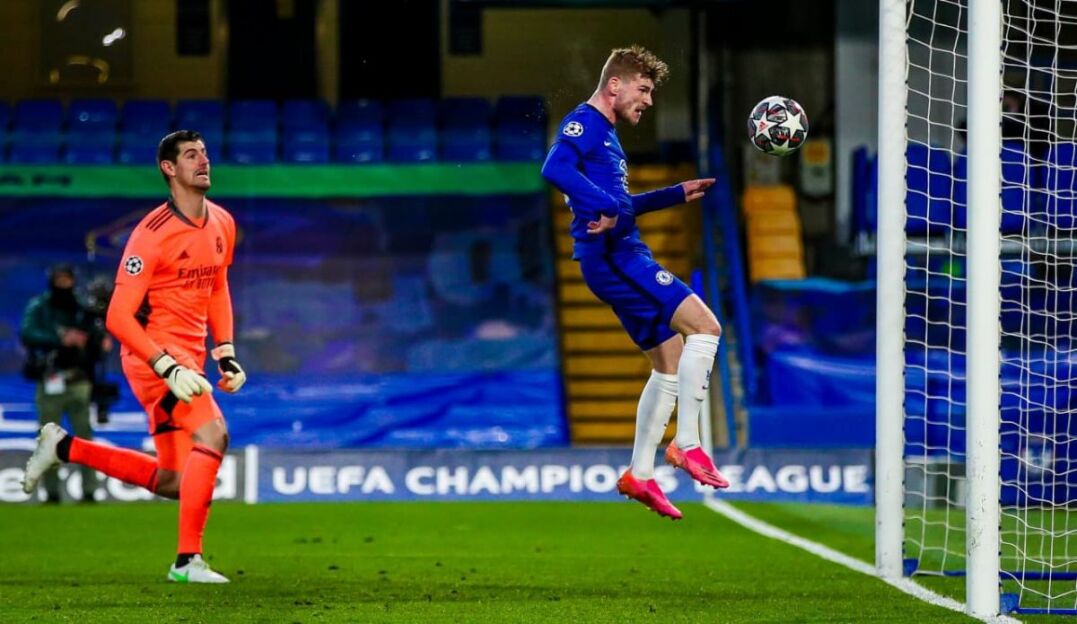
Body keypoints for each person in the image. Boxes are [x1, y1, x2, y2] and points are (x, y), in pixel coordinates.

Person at [21, 130, 246, 583]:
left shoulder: (222, 222)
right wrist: (167, 366)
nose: (203, 161)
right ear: (169, 168)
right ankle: (187, 562)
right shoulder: (150, 236)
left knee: (173, 481)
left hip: (189, 359)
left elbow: (217, 285)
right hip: (153, 357)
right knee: (214, 434)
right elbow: (118, 317)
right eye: (191, 155)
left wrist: (224, 350)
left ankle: (63, 447)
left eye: (204, 153)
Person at [541, 45, 728, 520]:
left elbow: (619, 206)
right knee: (705, 328)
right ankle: (688, 443)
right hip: (616, 258)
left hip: (616, 255)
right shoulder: (585, 123)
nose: (648, 100)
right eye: (643, 90)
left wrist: (672, 194)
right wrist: (604, 205)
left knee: (669, 362)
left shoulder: (607, 135)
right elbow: (554, 168)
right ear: (615, 85)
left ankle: (640, 475)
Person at [19, 263, 111, 503]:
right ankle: (51, 493)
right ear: (52, 281)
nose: (63, 284)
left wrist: (98, 340)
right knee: (48, 440)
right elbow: (27, 333)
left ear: (73, 280)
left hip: (79, 379)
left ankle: (90, 491)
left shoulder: (82, 307)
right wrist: (60, 338)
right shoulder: (39, 306)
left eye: (67, 279)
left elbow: (98, 333)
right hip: (51, 378)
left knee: (85, 438)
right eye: (59, 280)